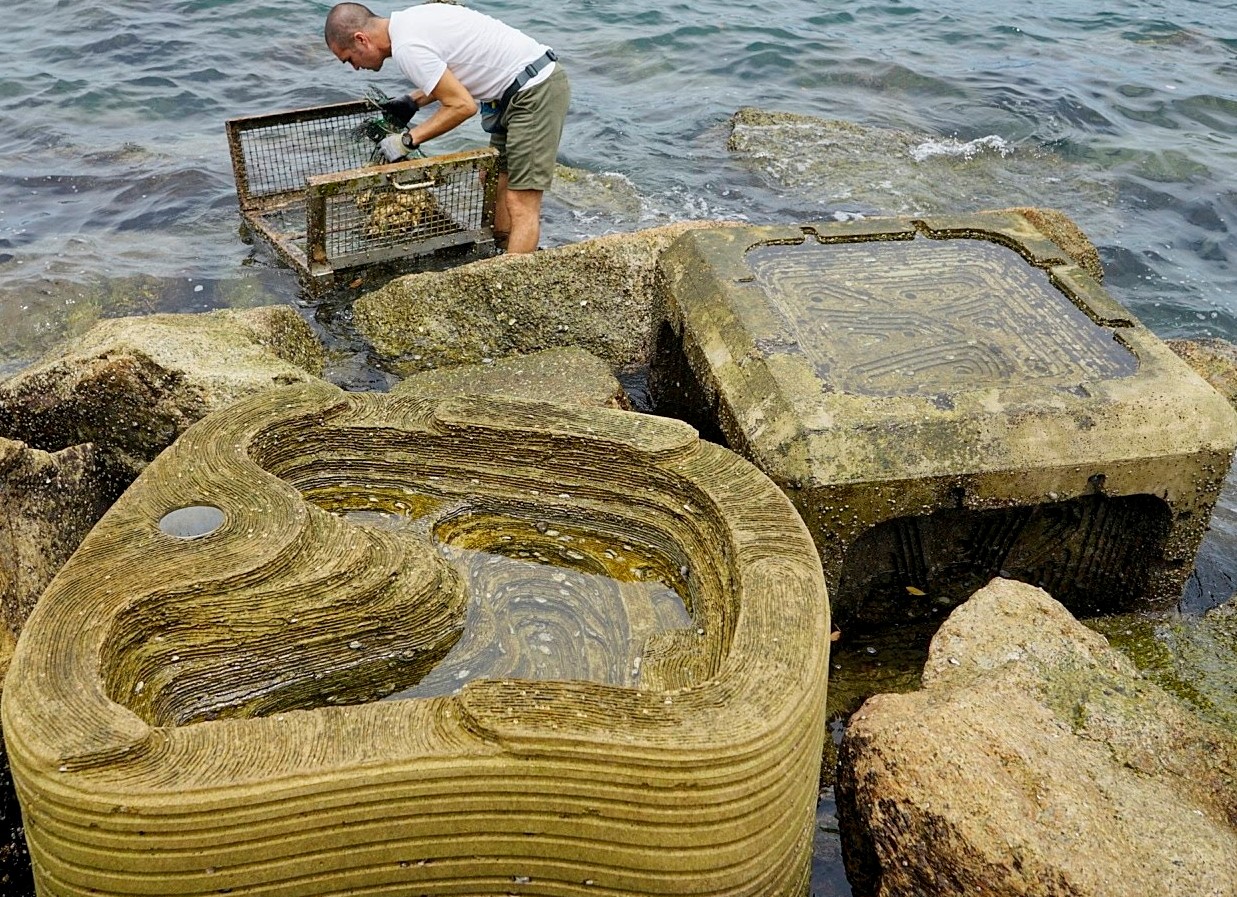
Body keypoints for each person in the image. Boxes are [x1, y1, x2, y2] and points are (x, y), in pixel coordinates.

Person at [324, 2, 569, 254]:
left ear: (361, 39)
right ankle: (504, 250)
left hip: (534, 91)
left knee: (521, 202)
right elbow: (460, 66)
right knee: (493, 178)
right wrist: (413, 101)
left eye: (349, 59)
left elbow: (462, 106)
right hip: (513, 91)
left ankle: (515, 282)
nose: (354, 67)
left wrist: (407, 140)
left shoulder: (407, 47)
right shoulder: (409, 21)